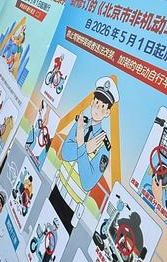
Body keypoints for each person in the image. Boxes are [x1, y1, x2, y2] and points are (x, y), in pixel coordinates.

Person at [49, 77, 119, 234]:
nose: (97, 109)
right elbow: (65, 153)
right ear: (92, 102)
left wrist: (81, 146)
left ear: (107, 112)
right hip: (57, 187)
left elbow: (88, 182)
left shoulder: (104, 146)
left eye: (103, 106)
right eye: (96, 103)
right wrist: (85, 148)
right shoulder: (81, 123)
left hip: (71, 205)